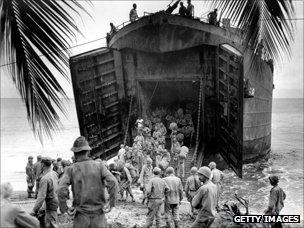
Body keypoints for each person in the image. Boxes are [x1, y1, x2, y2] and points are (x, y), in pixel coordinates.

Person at [58, 136, 119, 228]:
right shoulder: (100, 166)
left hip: (80, 217)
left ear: (75, 153)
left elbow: (61, 189)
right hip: (99, 216)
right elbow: (113, 182)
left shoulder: (71, 169)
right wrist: (112, 204)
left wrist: (65, 208)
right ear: (88, 152)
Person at [30, 156, 59, 228]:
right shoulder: (55, 174)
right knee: (50, 221)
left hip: (50, 203)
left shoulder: (44, 178)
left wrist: (34, 210)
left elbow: (41, 197)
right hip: (55, 201)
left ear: (43, 165)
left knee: (50, 224)